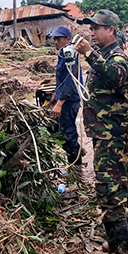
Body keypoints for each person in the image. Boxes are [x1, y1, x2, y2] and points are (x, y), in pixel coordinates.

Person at [73, 10, 128, 254]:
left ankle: (119, 248)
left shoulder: (118, 56)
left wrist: (88, 53)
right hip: (108, 134)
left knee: (110, 189)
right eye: (90, 28)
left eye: (96, 28)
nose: (92, 32)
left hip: (112, 136)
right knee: (124, 184)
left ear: (110, 30)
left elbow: (115, 77)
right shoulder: (105, 55)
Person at [50, 26, 84, 166]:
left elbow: (70, 80)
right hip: (66, 97)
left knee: (68, 133)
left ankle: (76, 167)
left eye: (58, 39)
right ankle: (76, 155)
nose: (55, 42)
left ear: (68, 39)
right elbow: (62, 78)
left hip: (69, 100)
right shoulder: (63, 53)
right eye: (54, 39)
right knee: (64, 130)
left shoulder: (69, 54)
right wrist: (55, 94)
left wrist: (60, 102)